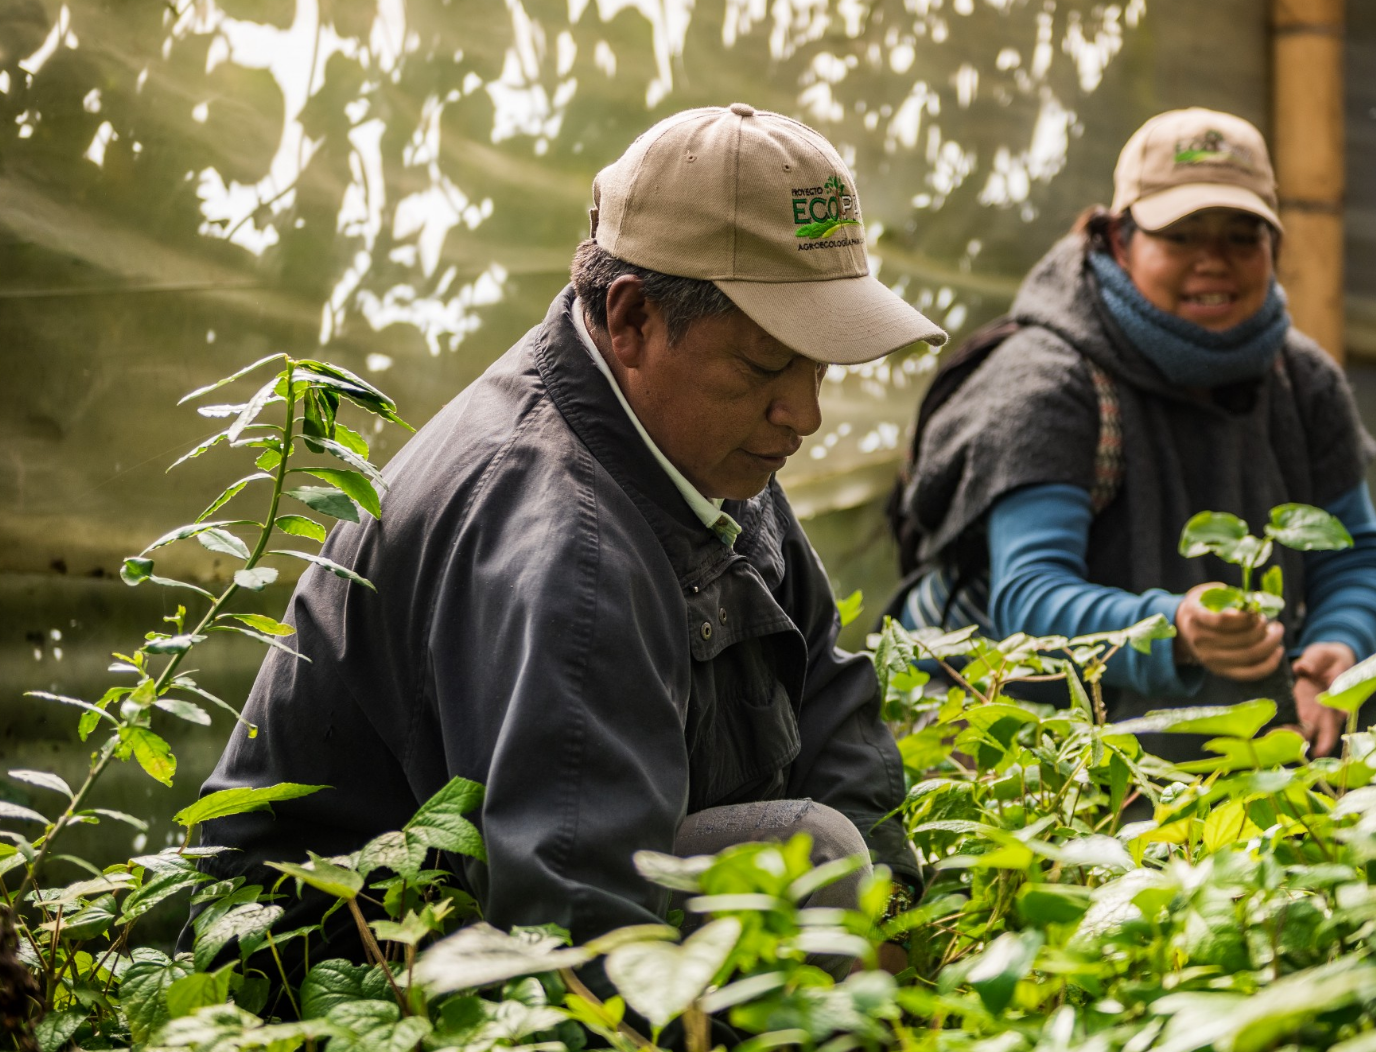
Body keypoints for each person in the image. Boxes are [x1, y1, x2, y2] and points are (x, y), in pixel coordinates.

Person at [195, 104, 943, 982]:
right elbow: (571, 931)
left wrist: (893, 921)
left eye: (820, 364)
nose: (805, 413)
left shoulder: (694, 445)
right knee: (807, 857)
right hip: (346, 969)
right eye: (768, 366)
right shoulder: (567, 549)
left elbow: (827, 703)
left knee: (845, 868)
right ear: (629, 322)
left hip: (524, 890)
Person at [895, 108, 1376, 758]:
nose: (1214, 261)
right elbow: (1030, 599)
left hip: (1177, 733)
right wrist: (1174, 628)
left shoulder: (1302, 382)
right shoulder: (1047, 381)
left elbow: (1355, 555)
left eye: (1243, 236)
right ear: (1119, 239)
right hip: (1007, 734)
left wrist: (1337, 647)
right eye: (1183, 235)